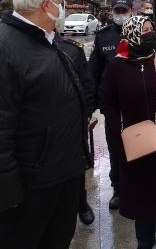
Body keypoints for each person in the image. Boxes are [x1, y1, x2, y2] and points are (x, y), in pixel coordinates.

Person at [0, 0, 91, 249]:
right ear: (46, 6)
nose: (63, 8)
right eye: (61, 1)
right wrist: (8, 197)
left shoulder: (48, 41)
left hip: (63, 175)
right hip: (30, 187)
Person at [101, 16, 156, 249]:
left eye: (152, 30)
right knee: (143, 206)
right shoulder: (117, 66)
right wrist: (119, 130)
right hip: (136, 147)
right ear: (131, 34)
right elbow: (109, 103)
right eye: (144, 31)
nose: (150, 34)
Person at [89, 0, 133, 210]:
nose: (121, 15)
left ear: (131, 11)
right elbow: (94, 72)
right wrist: (92, 104)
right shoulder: (103, 37)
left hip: (137, 103)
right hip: (113, 105)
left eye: (125, 10)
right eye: (118, 10)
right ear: (112, 11)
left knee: (138, 145)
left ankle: (136, 186)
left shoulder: (143, 33)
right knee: (115, 148)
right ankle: (118, 188)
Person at [55, 24, 96, 227]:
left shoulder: (72, 49)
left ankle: (81, 203)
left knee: (77, 164)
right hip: (45, 125)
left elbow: (86, 85)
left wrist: (86, 114)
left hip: (73, 123)